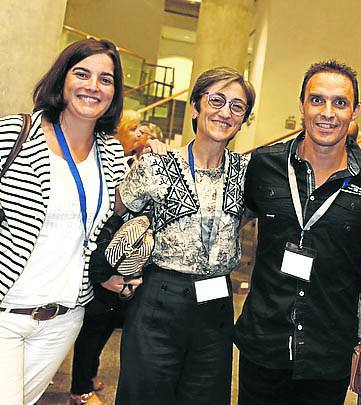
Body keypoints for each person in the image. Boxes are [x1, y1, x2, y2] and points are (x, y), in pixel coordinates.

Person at [235, 59, 361, 405]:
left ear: (355, 112)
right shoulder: (265, 166)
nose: (328, 112)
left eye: (340, 103)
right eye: (317, 100)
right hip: (264, 346)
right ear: (302, 105)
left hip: (328, 355)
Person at [0, 38, 139, 405]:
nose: (93, 86)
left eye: (106, 79)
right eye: (82, 73)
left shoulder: (110, 154)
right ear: (62, 78)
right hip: (5, 310)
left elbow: (108, 227)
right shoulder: (15, 133)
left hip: (63, 318)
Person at [115, 66, 255, 405]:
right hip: (160, 299)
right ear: (196, 106)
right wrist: (114, 270)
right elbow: (114, 215)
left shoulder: (250, 174)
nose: (225, 112)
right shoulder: (156, 165)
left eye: (237, 107)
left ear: (244, 119)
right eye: (216, 100)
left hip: (216, 305)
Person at [68, 109, 149, 405]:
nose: (141, 133)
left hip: (121, 263)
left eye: (141, 128)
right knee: (92, 329)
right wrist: (101, 271)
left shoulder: (136, 163)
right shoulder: (104, 166)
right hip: (100, 262)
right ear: (117, 134)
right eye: (134, 129)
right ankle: (79, 389)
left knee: (104, 328)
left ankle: (88, 376)